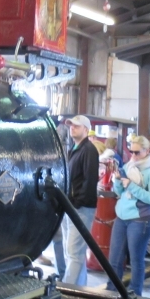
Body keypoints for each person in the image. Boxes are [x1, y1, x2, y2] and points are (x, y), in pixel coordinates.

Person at [107, 136, 150, 296]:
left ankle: (135, 295)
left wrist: (132, 186)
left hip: (140, 221)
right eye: (131, 151)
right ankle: (111, 293)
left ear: (148, 151)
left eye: (137, 152)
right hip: (121, 218)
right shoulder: (128, 167)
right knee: (114, 260)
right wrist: (117, 181)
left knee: (136, 261)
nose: (133, 155)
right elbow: (120, 192)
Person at [62, 115, 99, 286]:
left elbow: (89, 180)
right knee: (73, 252)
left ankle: (66, 290)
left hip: (80, 208)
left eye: (76, 126)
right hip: (71, 206)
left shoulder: (89, 150)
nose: (72, 128)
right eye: (71, 125)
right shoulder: (74, 149)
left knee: (74, 253)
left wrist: (77, 203)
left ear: (86, 129)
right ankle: (80, 288)